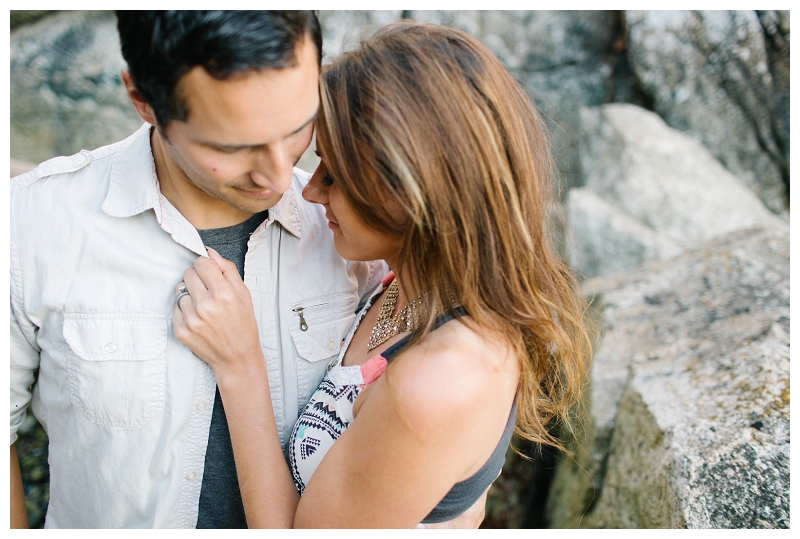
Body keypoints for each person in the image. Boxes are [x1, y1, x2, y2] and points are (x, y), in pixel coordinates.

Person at [174, 21, 592, 528]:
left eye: (335, 175)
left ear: (411, 190)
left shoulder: (442, 377)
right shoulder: (407, 285)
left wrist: (239, 364)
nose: (310, 191)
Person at [10, 11, 388, 528]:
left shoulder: (360, 229)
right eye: (231, 147)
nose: (281, 174)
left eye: (300, 125)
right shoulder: (31, 223)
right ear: (144, 100)